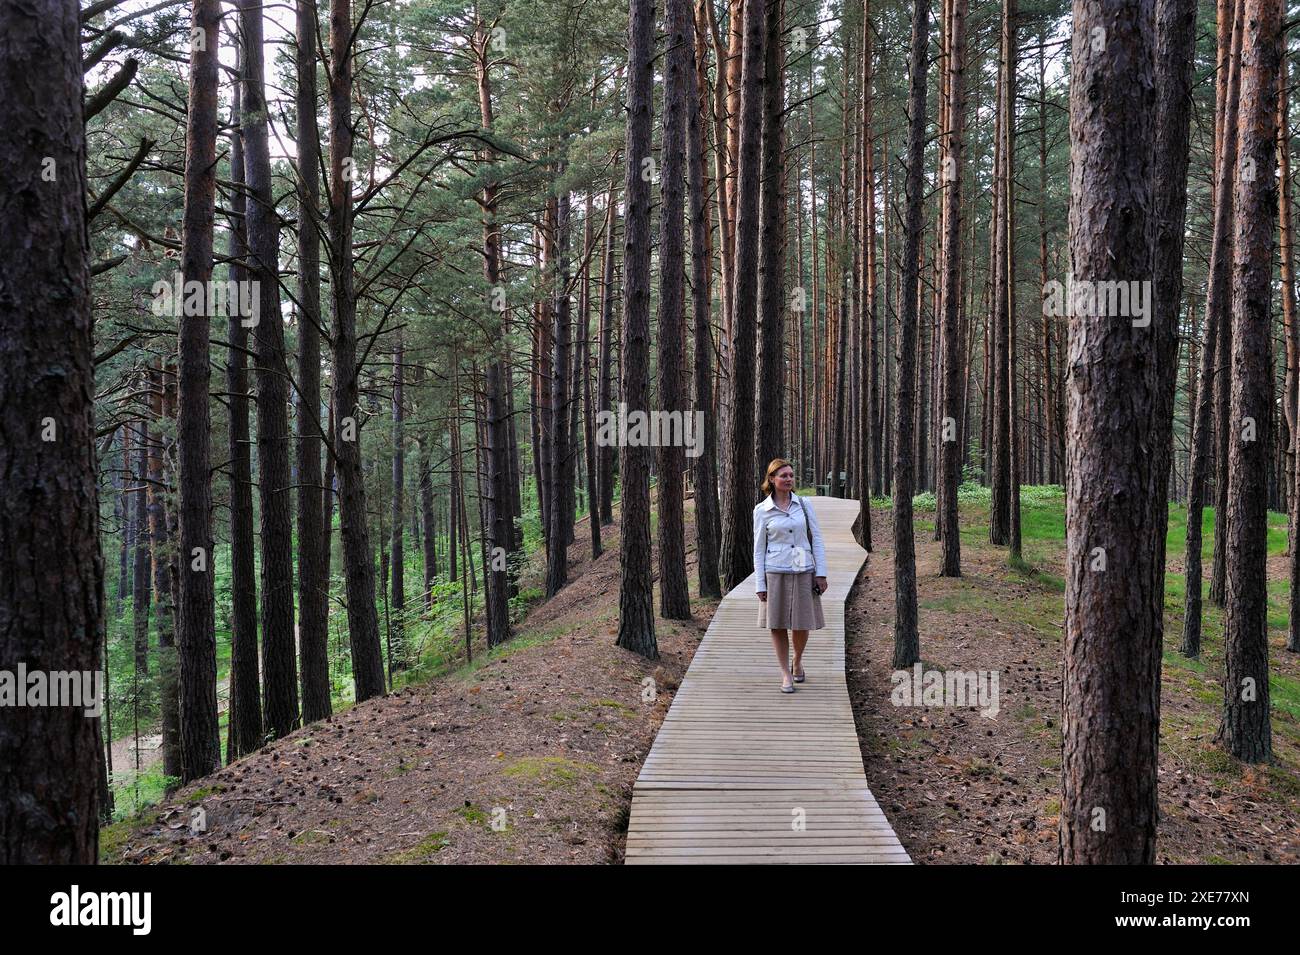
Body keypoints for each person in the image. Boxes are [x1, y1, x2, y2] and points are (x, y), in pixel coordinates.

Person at [752, 458, 827, 693]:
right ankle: (785, 673)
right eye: (783, 475)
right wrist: (760, 583)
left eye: (791, 475)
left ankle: (797, 660)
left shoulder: (803, 505)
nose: (788, 479)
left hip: (804, 570)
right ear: (772, 480)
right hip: (775, 571)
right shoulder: (762, 511)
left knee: (801, 623)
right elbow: (758, 549)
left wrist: (821, 573)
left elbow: (817, 540)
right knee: (777, 624)